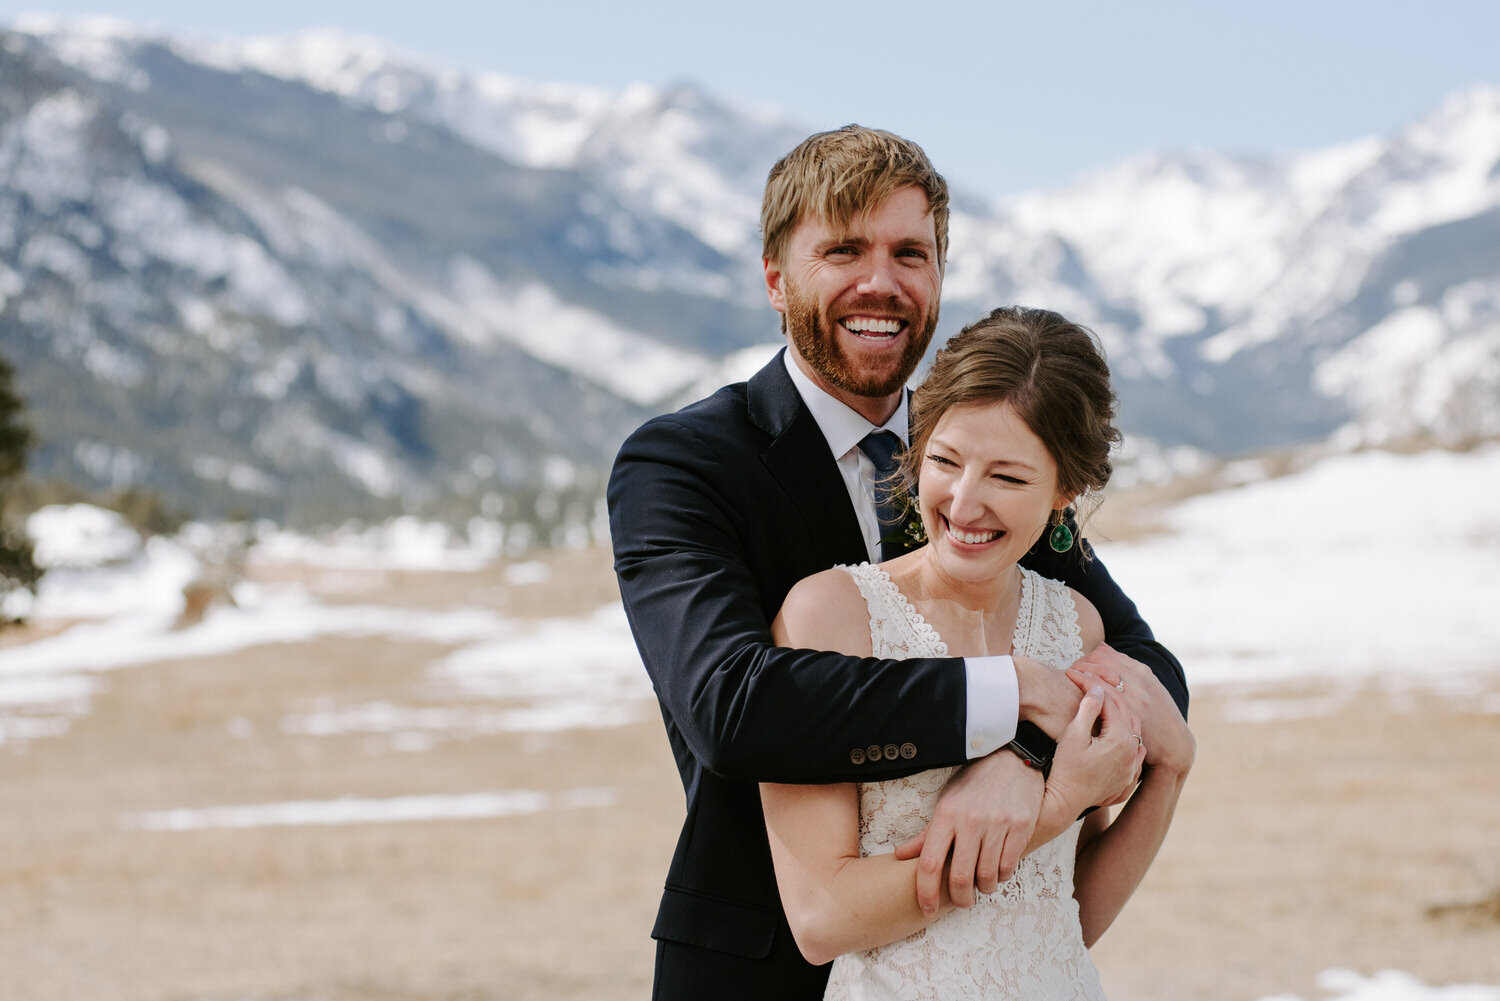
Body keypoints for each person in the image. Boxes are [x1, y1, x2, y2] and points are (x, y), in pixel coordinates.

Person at [607, 125, 1188, 1001]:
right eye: (843, 249)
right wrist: (1014, 693)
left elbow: (1148, 671)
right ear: (776, 278)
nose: (880, 281)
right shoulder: (683, 465)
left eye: (909, 252)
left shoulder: (984, 455)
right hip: (764, 967)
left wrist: (1023, 758)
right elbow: (734, 705)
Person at [761, 307, 1196, 999]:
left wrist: (1170, 773)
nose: (964, 503)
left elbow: (1065, 911)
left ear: (1065, 491)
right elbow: (821, 918)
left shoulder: (1074, 624)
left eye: (1007, 477)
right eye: (944, 460)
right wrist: (1053, 803)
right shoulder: (831, 614)